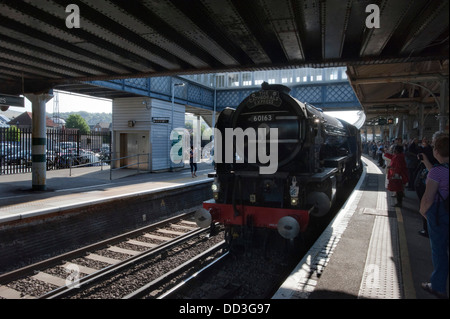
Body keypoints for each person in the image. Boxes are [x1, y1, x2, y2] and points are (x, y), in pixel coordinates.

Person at [419, 135, 449, 299]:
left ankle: (438, 287)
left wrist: (423, 212)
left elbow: (428, 197)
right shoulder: (438, 170)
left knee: (439, 250)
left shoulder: (437, 172)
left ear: (437, 151)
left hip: (439, 213)